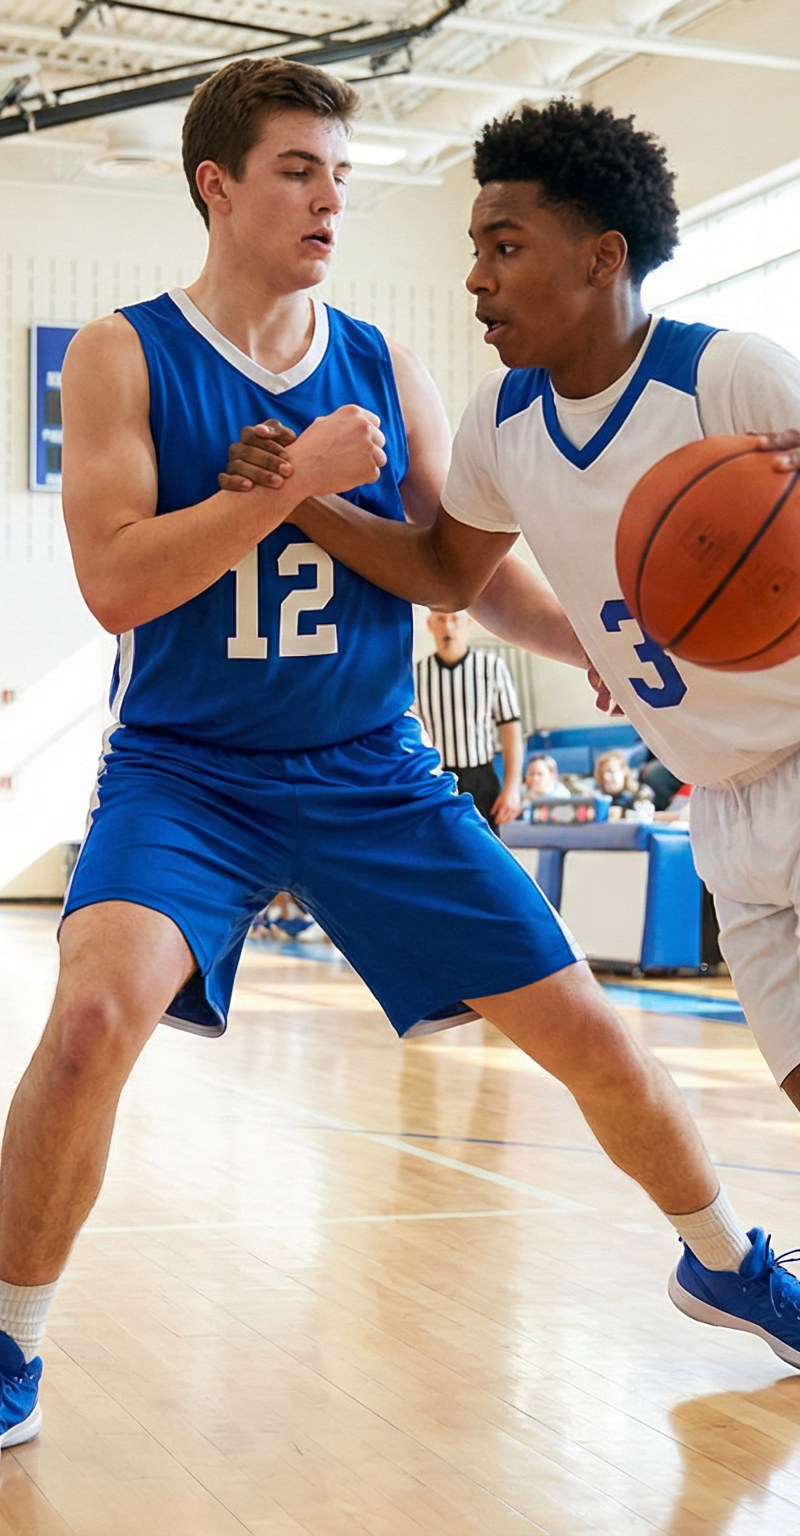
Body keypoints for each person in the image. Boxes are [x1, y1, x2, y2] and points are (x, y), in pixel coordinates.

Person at [225, 96, 800, 1371]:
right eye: (474, 247)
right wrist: (298, 502)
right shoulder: (499, 422)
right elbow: (441, 567)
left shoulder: (731, 374)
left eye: (505, 245)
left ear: (602, 256)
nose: (475, 276)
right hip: (719, 799)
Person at [414, 609, 522, 829]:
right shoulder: (417, 674)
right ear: (430, 625)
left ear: (469, 623)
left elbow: (510, 729)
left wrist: (512, 787)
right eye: (441, 620)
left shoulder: (491, 667)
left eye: (455, 619)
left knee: (484, 855)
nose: (449, 627)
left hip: (481, 777)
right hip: (437, 779)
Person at [594, 749, 654, 820]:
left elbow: (645, 816)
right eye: (602, 773)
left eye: (611, 771)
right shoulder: (598, 799)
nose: (606, 777)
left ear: (624, 772)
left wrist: (623, 813)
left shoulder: (641, 793)